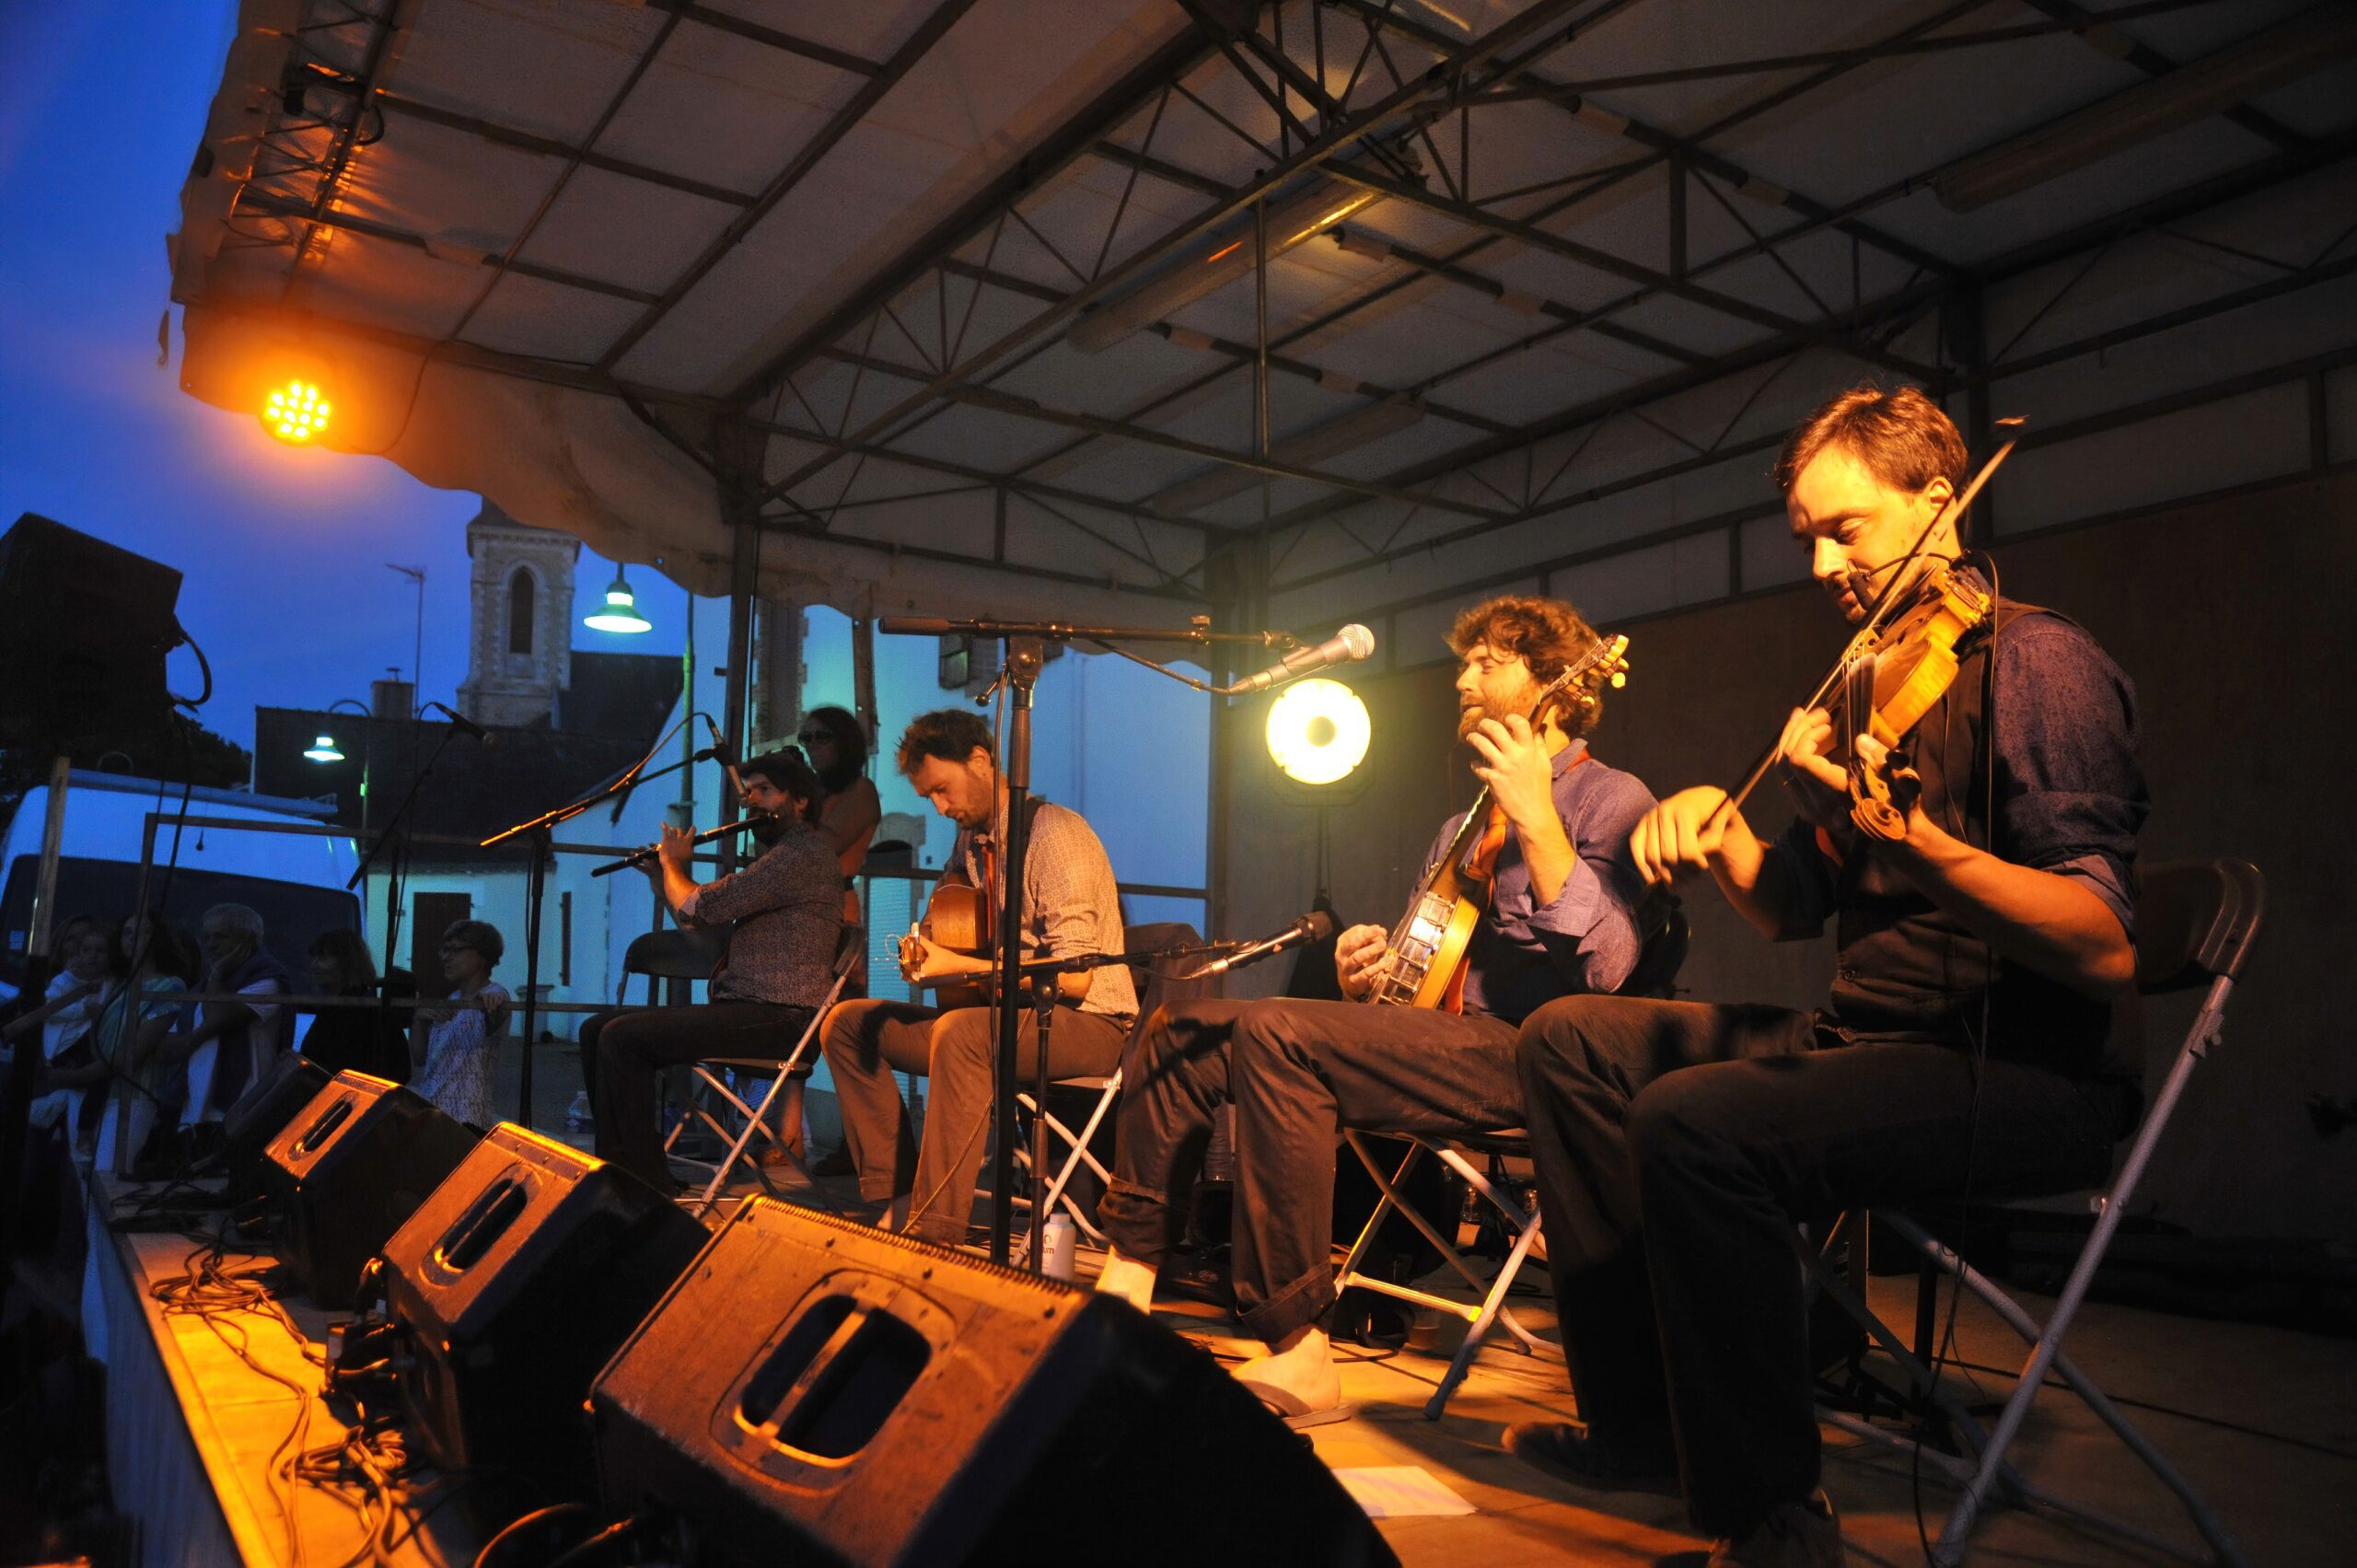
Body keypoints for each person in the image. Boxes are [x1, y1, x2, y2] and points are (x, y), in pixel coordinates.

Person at [1504, 385, 2148, 1567]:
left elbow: (2101, 940)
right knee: (1567, 1037)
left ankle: (1773, 1518)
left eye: (1844, 530)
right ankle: (1643, 1423)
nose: (1819, 564)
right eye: (1805, 536)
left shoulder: (2037, 660)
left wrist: (1919, 844)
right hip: (1865, 1039)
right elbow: (1794, 904)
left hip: (2018, 1066)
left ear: (1938, 502)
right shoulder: (1863, 683)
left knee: (1696, 1122)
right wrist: (1723, 830)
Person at [1093, 594, 1658, 1422]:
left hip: (1534, 1054)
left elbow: (1609, 970)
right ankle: (1126, 1285)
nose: (1461, 678)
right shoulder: (1461, 822)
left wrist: (1537, 817)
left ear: (1551, 684)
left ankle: (1298, 1346)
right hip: (1433, 1042)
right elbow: (1424, 972)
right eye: (1464, 662)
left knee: (1281, 1030)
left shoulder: (1610, 797)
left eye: (1487, 663)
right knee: (1180, 1029)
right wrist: (1368, 975)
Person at [819, 708, 1135, 1245]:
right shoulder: (972, 841)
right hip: (997, 1021)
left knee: (962, 1032)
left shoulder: (1057, 834)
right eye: (929, 798)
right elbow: (951, 908)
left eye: (943, 790)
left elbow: (1076, 979)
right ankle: (899, 1196)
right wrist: (925, 944)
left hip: (1090, 1024)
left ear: (981, 760)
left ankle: (935, 1230)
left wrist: (961, 967)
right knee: (848, 1025)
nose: (941, 809)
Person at [576, 748, 841, 1191]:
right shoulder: (780, 859)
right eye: (749, 792)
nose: (752, 801)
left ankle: (642, 1181)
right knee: (595, 1029)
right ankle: (617, 1168)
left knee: (623, 1037)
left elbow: (702, 905)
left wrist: (674, 864)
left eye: (765, 791)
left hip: (784, 1018)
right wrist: (661, 880)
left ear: (800, 801)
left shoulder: (801, 855)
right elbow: (705, 937)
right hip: (751, 1011)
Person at [772, 706, 881, 1172]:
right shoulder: (812, 795)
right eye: (806, 738)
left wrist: (792, 802)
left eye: (822, 737)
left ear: (845, 743)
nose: (813, 746)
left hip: (836, 914)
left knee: (845, 1031)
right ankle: (790, 1137)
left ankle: (867, 1147)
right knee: (796, 1026)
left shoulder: (860, 791)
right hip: (798, 913)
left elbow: (822, 846)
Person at [137, 903, 297, 1162]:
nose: (210, 945)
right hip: (194, 1113)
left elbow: (217, 1017)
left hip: (241, 1110)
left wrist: (215, 979)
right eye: (207, 937)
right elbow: (165, 1050)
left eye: (221, 937)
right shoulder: (201, 988)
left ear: (246, 941)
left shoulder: (268, 980)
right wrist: (201, 1033)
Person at [83, 913, 200, 1168]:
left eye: (142, 932)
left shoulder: (169, 986)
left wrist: (76, 1076)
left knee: (109, 1171)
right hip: (101, 1090)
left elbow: (135, 1052)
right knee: (85, 1171)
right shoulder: (120, 986)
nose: (132, 939)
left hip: (135, 1093)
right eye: (127, 932)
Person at [412, 921, 509, 1127]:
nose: (446, 957)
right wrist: (419, 1021)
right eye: (444, 950)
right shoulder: (453, 999)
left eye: (455, 950)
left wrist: (493, 1002)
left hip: (465, 1118)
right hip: (431, 1111)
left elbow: (497, 1012)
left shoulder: (494, 995)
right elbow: (420, 1058)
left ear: (482, 955)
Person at [301, 928, 414, 1083]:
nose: (314, 965)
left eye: (323, 957)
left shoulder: (357, 1011)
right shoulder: (335, 1007)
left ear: (346, 962)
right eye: (314, 957)